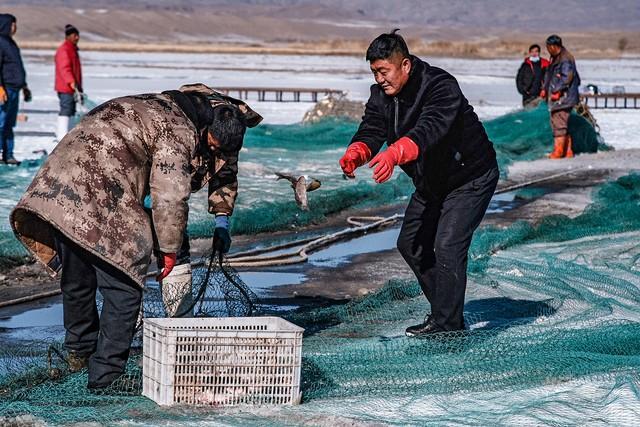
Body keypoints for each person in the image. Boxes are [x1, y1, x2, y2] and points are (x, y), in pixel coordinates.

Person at [11, 83, 262, 389]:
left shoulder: (219, 121)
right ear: (206, 126)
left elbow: (224, 173)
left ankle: (80, 352)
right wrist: (169, 251)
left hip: (59, 184)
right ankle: (104, 379)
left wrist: (222, 222)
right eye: (211, 146)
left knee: (78, 274)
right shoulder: (178, 130)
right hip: (95, 182)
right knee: (125, 286)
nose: (214, 153)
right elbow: (169, 198)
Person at [339, 30, 498, 336]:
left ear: (406, 65)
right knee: (410, 244)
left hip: (470, 177)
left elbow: (431, 128)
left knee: (448, 246)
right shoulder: (380, 96)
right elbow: (372, 128)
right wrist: (357, 151)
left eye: (384, 71)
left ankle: (448, 328)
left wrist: (396, 153)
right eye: (374, 72)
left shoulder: (440, 86)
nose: (380, 79)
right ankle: (445, 314)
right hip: (432, 182)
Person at [540, 34, 581, 159]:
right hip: (560, 97)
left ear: (553, 46)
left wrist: (557, 91)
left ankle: (558, 152)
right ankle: (567, 152)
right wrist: (545, 89)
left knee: (559, 122)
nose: (547, 50)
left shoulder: (565, 59)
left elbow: (567, 77)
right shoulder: (557, 58)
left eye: (548, 47)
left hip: (563, 98)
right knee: (561, 122)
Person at [0, 14, 31, 164]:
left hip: (15, 89)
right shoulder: (0, 42)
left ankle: (8, 155)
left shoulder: (11, 43)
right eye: (13, 24)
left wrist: (24, 86)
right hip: (4, 90)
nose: (15, 27)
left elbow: (17, 67)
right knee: (1, 121)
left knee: (9, 124)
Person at [54, 24, 82, 142]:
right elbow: (64, 68)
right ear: (69, 36)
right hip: (66, 87)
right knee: (66, 109)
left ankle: (69, 135)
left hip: (73, 87)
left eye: (77, 35)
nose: (77, 38)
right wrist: (71, 81)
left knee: (71, 110)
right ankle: (62, 136)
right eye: (75, 35)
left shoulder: (72, 49)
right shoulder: (64, 50)